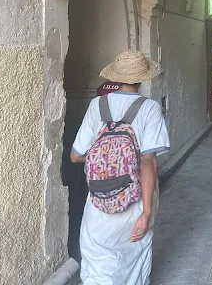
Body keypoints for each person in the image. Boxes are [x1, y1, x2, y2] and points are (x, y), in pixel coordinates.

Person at [70, 49, 170, 285]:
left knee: (96, 264)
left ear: (115, 76)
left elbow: (76, 156)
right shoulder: (149, 108)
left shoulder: (97, 105)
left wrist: (106, 160)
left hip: (98, 200)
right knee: (133, 259)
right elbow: (148, 162)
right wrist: (146, 213)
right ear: (142, 78)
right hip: (134, 201)